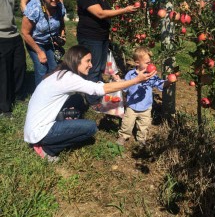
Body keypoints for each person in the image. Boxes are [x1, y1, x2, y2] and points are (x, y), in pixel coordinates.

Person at [24, 45, 156, 162]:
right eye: (88, 61)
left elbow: (94, 86)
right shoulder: (69, 78)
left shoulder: (62, 74)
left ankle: (58, 129)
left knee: (78, 100)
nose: (91, 65)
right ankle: (47, 149)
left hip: (34, 126)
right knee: (91, 127)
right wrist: (136, 80)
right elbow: (99, 90)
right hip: (39, 132)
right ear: (76, 61)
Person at [77, 0, 139, 108]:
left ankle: (96, 94)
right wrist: (125, 10)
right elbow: (100, 13)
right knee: (93, 68)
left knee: (98, 68)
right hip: (91, 37)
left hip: (101, 37)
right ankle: (92, 101)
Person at [116, 46, 174, 146]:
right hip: (132, 106)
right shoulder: (130, 75)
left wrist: (168, 82)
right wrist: (120, 83)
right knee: (127, 123)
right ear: (137, 63)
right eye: (147, 63)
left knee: (144, 125)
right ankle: (123, 135)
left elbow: (159, 84)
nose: (150, 65)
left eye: (150, 62)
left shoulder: (151, 75)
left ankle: (141, 138)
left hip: (146, 107)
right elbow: (125, 86)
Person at [21, 0, 66, 87]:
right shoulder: (34, 7)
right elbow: (25, 33)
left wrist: (62, 36)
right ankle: (39, 99)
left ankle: (53, 94)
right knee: (42, 68)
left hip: (50, 41)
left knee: (55, 68)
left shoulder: (60, 6)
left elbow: (62, 23)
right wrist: (39, 52)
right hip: (35, 42)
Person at [0, 0, 26, 117]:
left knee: (19, 67)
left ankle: (15, 96)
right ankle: (4, 108)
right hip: (1, 36)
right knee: (3, 74)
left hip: (13, 34)